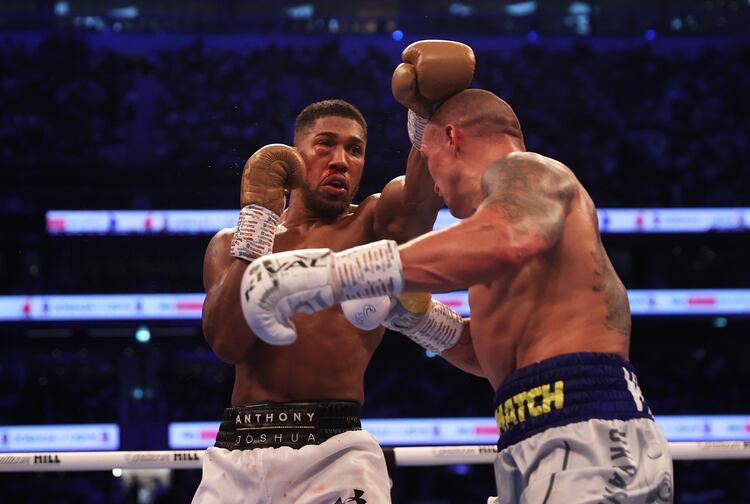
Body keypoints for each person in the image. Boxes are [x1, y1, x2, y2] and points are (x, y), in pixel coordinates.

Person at [241, 88, 675, 503]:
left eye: (428, 161)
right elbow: (485, 350)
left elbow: (504, 238)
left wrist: (334, 274)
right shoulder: (500, 251)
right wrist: (419, 320)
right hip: (528, 434)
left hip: (590, 430)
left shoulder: (532, 172)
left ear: (451, 138)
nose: (435, 187)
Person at [194, 41, 475, 504]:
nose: (341, 160)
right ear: (293, 154)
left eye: (356, 150)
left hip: (335, 450)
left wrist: (424, 113)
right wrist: (257, 225)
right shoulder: (231, 242)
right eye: (325, 144)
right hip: (236, 455)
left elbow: (423, 201)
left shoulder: (372, 222)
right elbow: (227, 342)